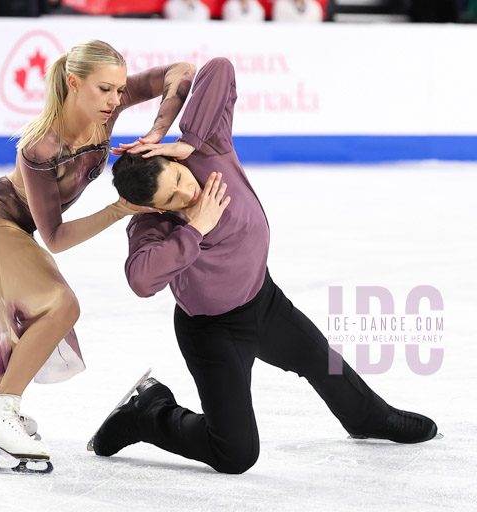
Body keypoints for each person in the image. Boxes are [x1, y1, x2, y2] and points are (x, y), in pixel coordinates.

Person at [91, 57, 438, 474]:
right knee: (235, 454)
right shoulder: (151, 225)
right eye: (174, 199)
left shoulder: (208, 149)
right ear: (152, 206)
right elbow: (141, 281)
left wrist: (186, 137)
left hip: (264, 300)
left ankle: (370, 417)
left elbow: (219, 69)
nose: (189, 193)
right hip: (212, 331)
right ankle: (148, 411)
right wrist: (193, 230)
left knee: (321, 360)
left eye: (181, 179)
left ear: (172, 160)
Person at [0, 40, 195, 464]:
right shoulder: (42, 147)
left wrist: (156, 131)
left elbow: (183, 70)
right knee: (58, 306)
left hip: (10, 224)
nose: (116, 100)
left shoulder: (108, 108)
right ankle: (1, 411)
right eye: (106, 90)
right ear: (73, 83)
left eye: (120, 90)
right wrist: (120, 208)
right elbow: (56, 237)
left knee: (39, 318)